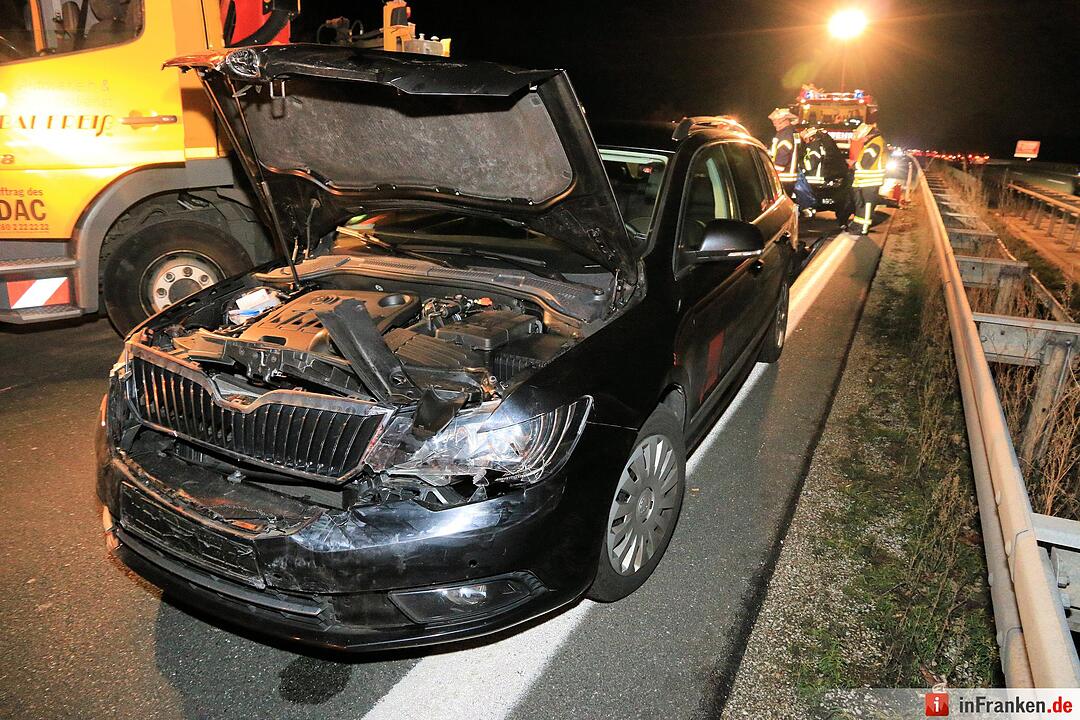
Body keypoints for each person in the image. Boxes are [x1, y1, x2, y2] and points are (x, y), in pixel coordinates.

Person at [848, 117, 886, 234]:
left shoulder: (874, 145)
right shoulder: (873, 143)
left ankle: (863, 228)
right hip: (866, 181)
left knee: (867, 206)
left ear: (868, 135)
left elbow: (865, 164)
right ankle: (858, 225)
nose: (862, 139)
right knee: (862, 205)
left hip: (870, 181)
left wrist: (853, 165)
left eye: (863, 137)